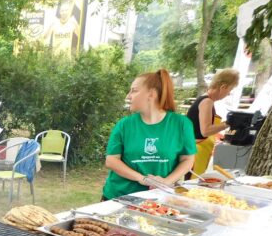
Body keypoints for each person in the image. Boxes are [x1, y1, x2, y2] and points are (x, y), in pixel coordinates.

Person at [102, 69, 196, 200]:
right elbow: (111, 160)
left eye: (134, 90)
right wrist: (143, 179)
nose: (128, 96)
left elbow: (187, 160)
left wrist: (166, 181)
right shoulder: (124, 125)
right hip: (119, 197)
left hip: (159, 199)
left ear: (151, 94)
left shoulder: (182, 124)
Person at [186, 69, 239, 175]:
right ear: (223, 87)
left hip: (198, 150)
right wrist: (227, 124)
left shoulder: (205, 100)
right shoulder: (207, 102)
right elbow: (205, 131)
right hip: (196, 150)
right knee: (191, 185)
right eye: (230, 90)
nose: (228, 94)